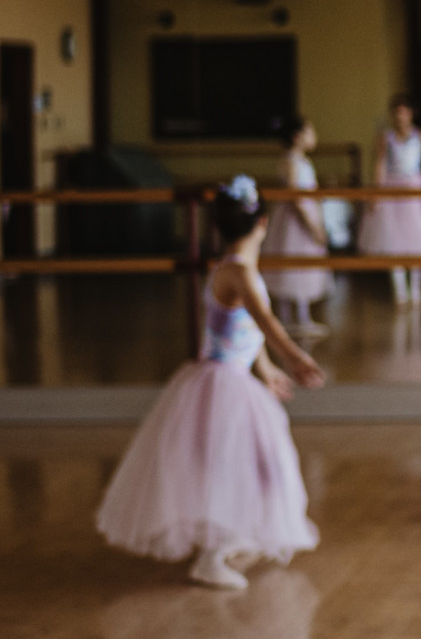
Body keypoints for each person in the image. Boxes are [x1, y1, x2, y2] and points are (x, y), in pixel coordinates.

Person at [96, 175, 328, 590]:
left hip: (230, 378)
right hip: (222, 385)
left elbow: (240, 328)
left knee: (241, 467)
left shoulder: (235, 268)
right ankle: (212, 554)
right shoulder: (237, 271)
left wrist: (266, 368)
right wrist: (294, 357)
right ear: (263, 224)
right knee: (232, 468)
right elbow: (265, 320)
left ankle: (224, 541)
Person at [356, 96, 421, 305]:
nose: (400, 117)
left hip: (414, 188)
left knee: (417, 240)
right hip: (391, 188)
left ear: (411, 114)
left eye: (403, 112)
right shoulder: (385, 137)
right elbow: (380, 164)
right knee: (392, 240)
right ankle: (399, 290)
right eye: (396, 112)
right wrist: (376, 194)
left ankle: (415, 288)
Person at [268, 116, 332, 335]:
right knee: (293, 262)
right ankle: (290, 318)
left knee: (304, 264)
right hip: (295, 219)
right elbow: (295, 196)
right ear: (297, 137)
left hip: (304, 213)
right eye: (310, 132)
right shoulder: (291, 161)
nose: (314, 137)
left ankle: (300, 316)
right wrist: (312, 225)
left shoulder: (302, 161)